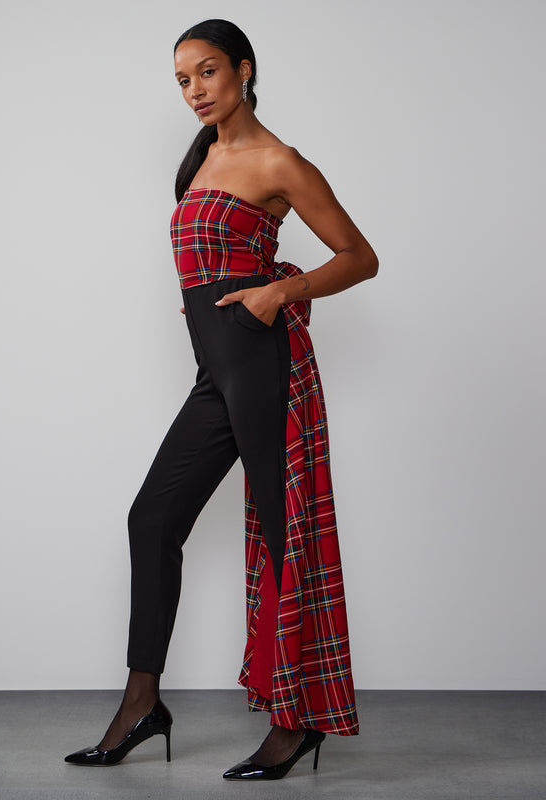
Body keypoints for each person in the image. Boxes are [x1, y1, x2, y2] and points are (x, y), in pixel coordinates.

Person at [64, 18, 379, 781]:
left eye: (207, 72)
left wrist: (280, 292)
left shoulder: (280, 161)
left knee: (281, 538)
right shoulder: (201, 159)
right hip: (217, 372)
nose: (195, 90)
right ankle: (143, 702)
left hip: (264, 364)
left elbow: (360, 257)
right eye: (182, 80)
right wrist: (206, 299)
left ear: (244, 69)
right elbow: (210, 258)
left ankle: (295, 723)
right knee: (152, 519)